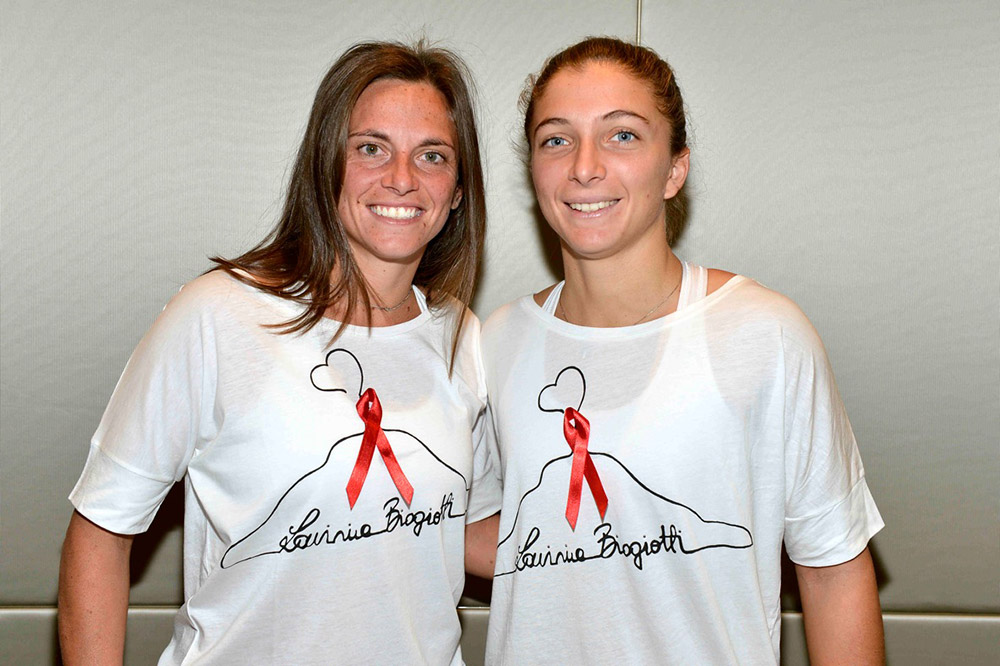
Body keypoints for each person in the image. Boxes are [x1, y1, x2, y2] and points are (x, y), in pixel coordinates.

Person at [58, 40, 496, 665]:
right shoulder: (217, 316)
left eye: (432, 156)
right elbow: (101, 529)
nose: (402, 178)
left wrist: (624, 539)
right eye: (370, 148)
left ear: (457, 192)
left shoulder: (463, 337)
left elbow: (462, 528)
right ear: (326, 166)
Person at [471, 37, 885, 664]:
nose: (584, 165)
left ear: (674, 169)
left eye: (622, 135)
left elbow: (833, 571)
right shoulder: (494, 342)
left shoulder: (764, 334)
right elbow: (497, 532)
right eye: (556, 139)